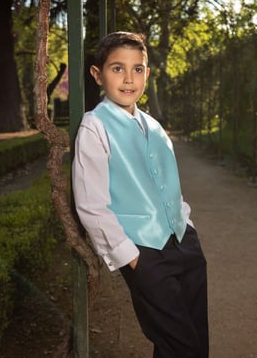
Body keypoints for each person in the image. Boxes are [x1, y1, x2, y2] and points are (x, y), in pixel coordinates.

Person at [72, 31, 209, 358]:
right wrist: (131, 258)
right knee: (180, 344)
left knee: (195, 340)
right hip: (145, 254)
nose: (129, 78)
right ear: (97, 74)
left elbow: (167, 183)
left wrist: (187, 226)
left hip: (185, 244)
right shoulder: (94, 126)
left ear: (146, 74)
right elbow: (91, 204)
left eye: (138, 69)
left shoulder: (155, 126)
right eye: (117, 69)